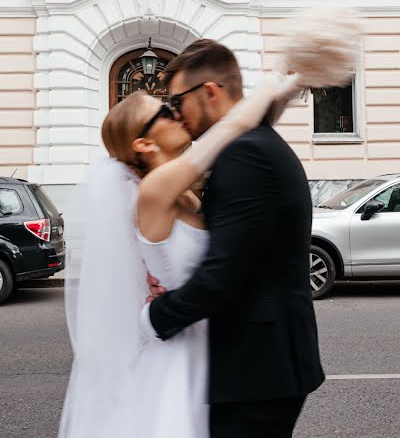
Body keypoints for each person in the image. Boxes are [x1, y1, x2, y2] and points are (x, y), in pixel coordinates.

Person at [58, 44, 302, 438]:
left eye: (175, 103)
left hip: (206, 342)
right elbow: (229, 130)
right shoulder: (154, 190)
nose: (175, 112)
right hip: (174, 342)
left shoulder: (187, 192)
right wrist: (269, 90)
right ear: (143, 144)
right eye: (164, 110)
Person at [142, 39, 325, 438]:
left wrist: (154, 317)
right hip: (262, 364)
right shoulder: (251, 146)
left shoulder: (245, 154)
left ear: (209, 91)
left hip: (257, 370)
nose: (176, 115)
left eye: (177, 102)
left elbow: (222, 276)